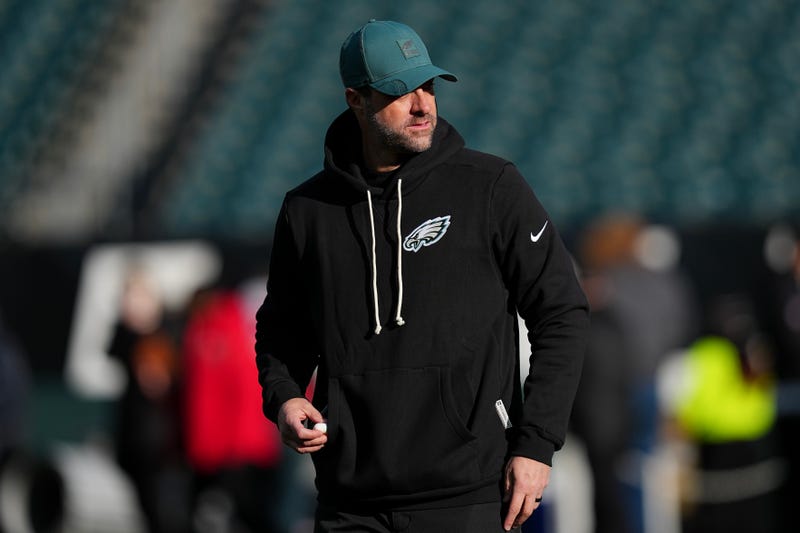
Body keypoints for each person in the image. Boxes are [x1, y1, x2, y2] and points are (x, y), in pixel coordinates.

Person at [255, 19, 589, 533]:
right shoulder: (307, 210)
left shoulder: (491, 186)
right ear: (355, 100)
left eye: (428, 87)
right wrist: (285, 395)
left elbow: (561, 313)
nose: (422, 105)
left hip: (469, 494)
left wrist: (537, 443)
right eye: (399, 92)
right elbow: (281, 330)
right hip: (350, 503)